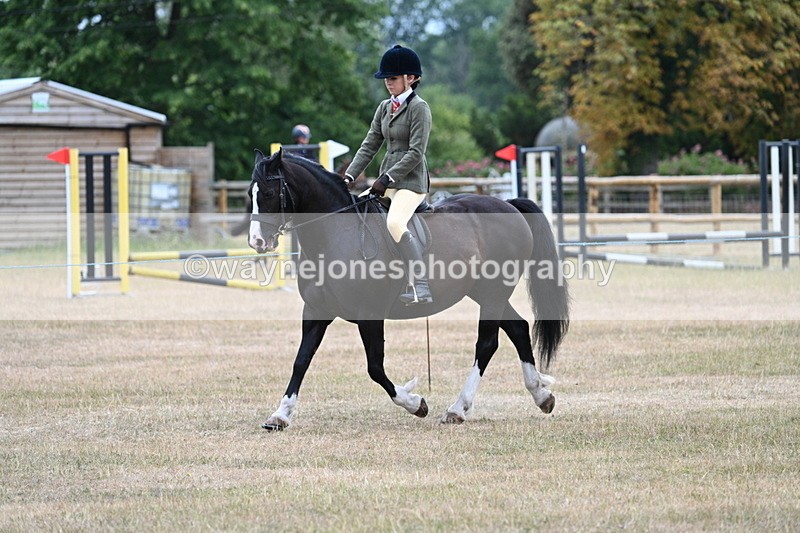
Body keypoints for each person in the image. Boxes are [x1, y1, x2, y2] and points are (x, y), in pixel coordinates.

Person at [344, 44, 433, 306]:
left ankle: (420, 284)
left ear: (411, 78)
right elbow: (370, 144)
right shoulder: (385, 107)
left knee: (394, 223)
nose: (388, 84)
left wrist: (387, 179)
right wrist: (349, 176)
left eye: (393, 78)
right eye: (386, 79)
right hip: (388, 181)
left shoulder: (420, 108)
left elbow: (416, 152)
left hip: (411, 183)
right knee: (356, 211)